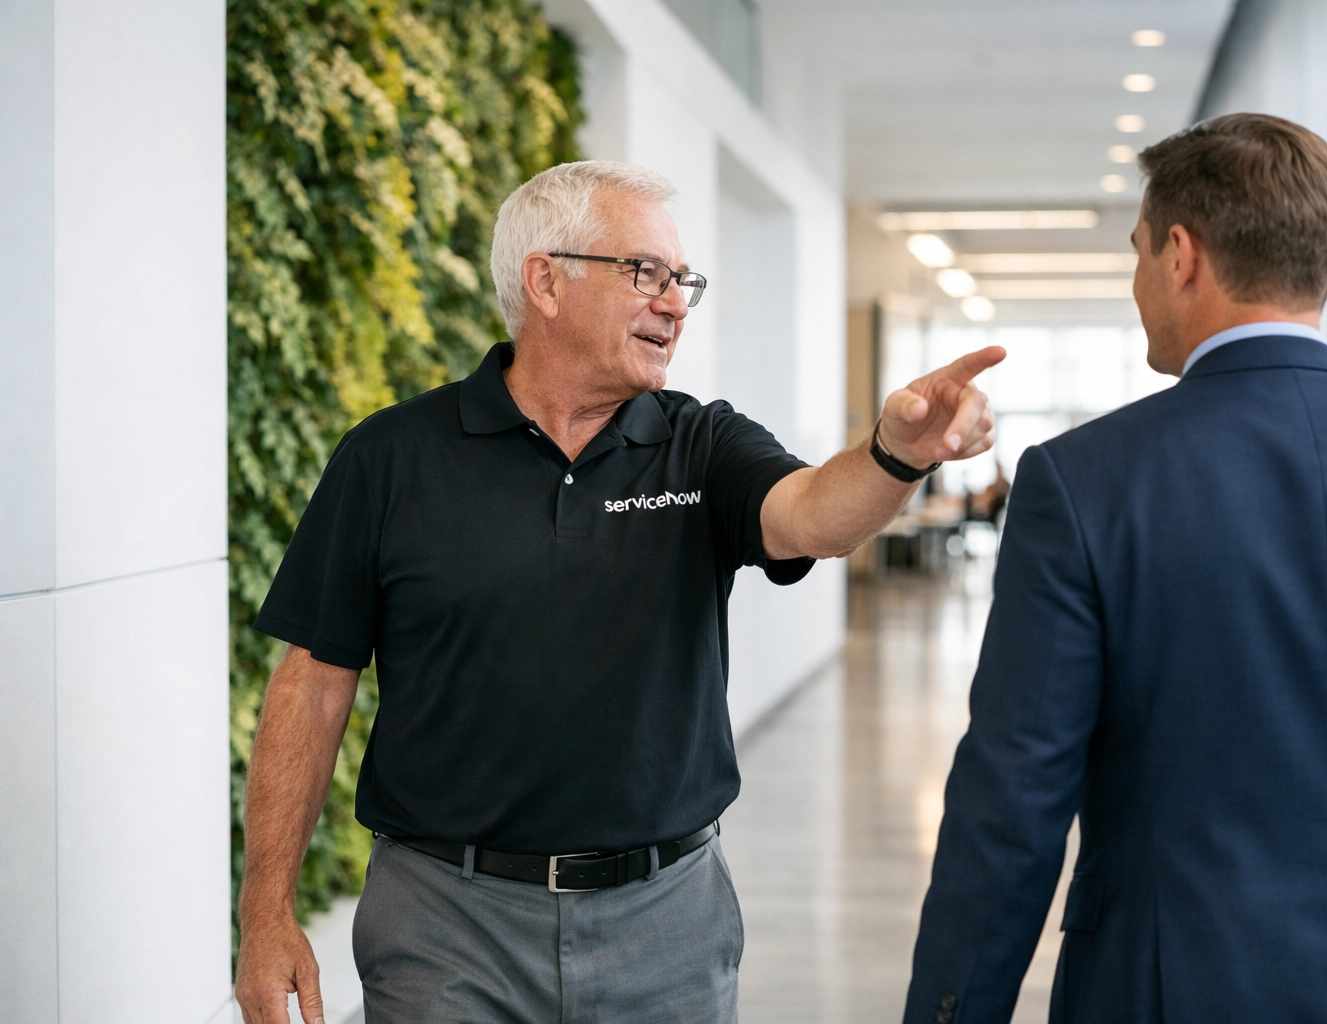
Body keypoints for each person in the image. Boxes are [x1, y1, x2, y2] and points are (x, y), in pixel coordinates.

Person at [233, 160, 1003, 1024]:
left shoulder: (701, 444)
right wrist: (264, 914)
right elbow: (313, 677)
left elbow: (813, 517)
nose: (674, 302)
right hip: (445, 925)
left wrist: (897, 455)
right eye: (646, 273)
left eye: (682, 281)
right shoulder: (390, 457)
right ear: (546, 282)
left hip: (665, 923)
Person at [903, 113, 1327, 1024]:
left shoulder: (1084, 483)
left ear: (1181, 256)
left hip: (1179, 983)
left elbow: (1014, 801)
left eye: (1135, 253)